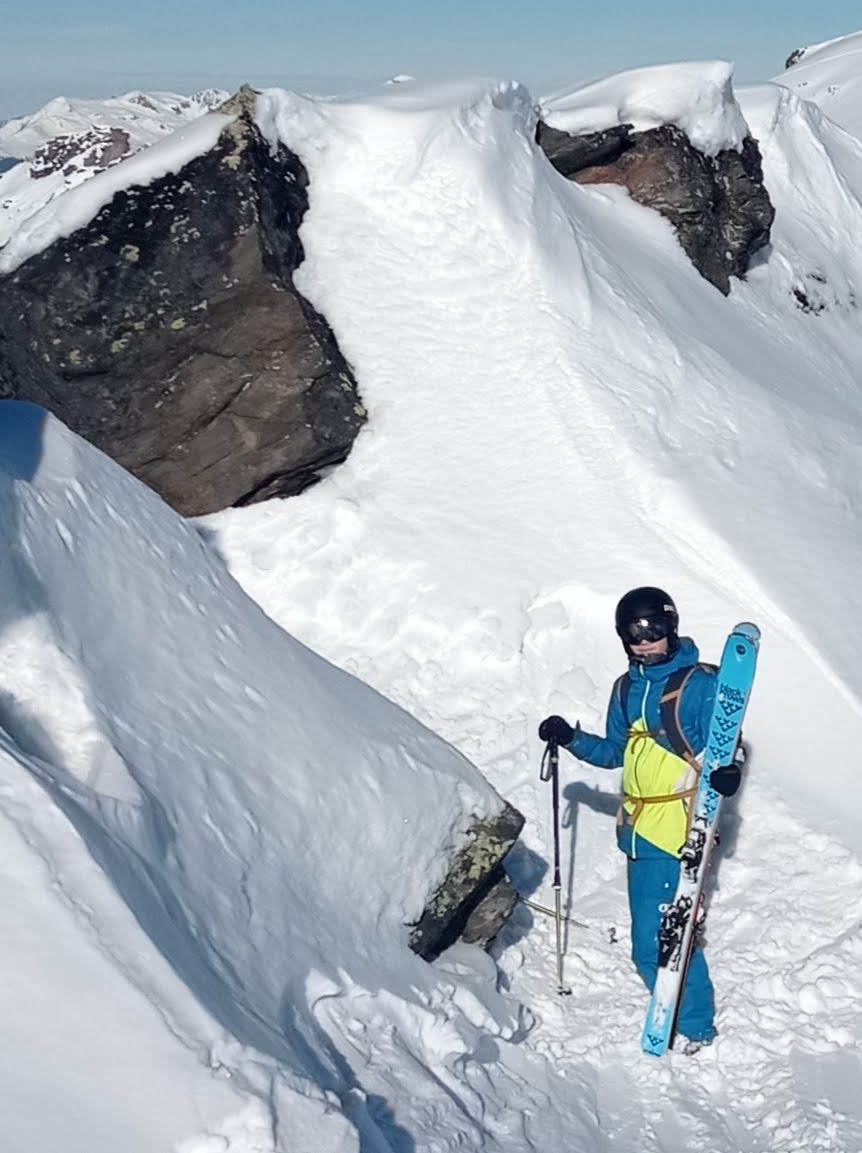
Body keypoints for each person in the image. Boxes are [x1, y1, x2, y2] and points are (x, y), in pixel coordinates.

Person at [538, 587, 742, 1053]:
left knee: (659, 944)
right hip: (637, 830)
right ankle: (683, 1013)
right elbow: (614, 752)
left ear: (670, 626)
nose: (642, 642)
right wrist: (570, 738)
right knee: (661, 937)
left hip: (679, 827)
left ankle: (694, 1026)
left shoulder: (699, 684)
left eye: (651, 630)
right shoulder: (626, 688)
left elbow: (727, 745)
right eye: (632, 634)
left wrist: (729, 774)